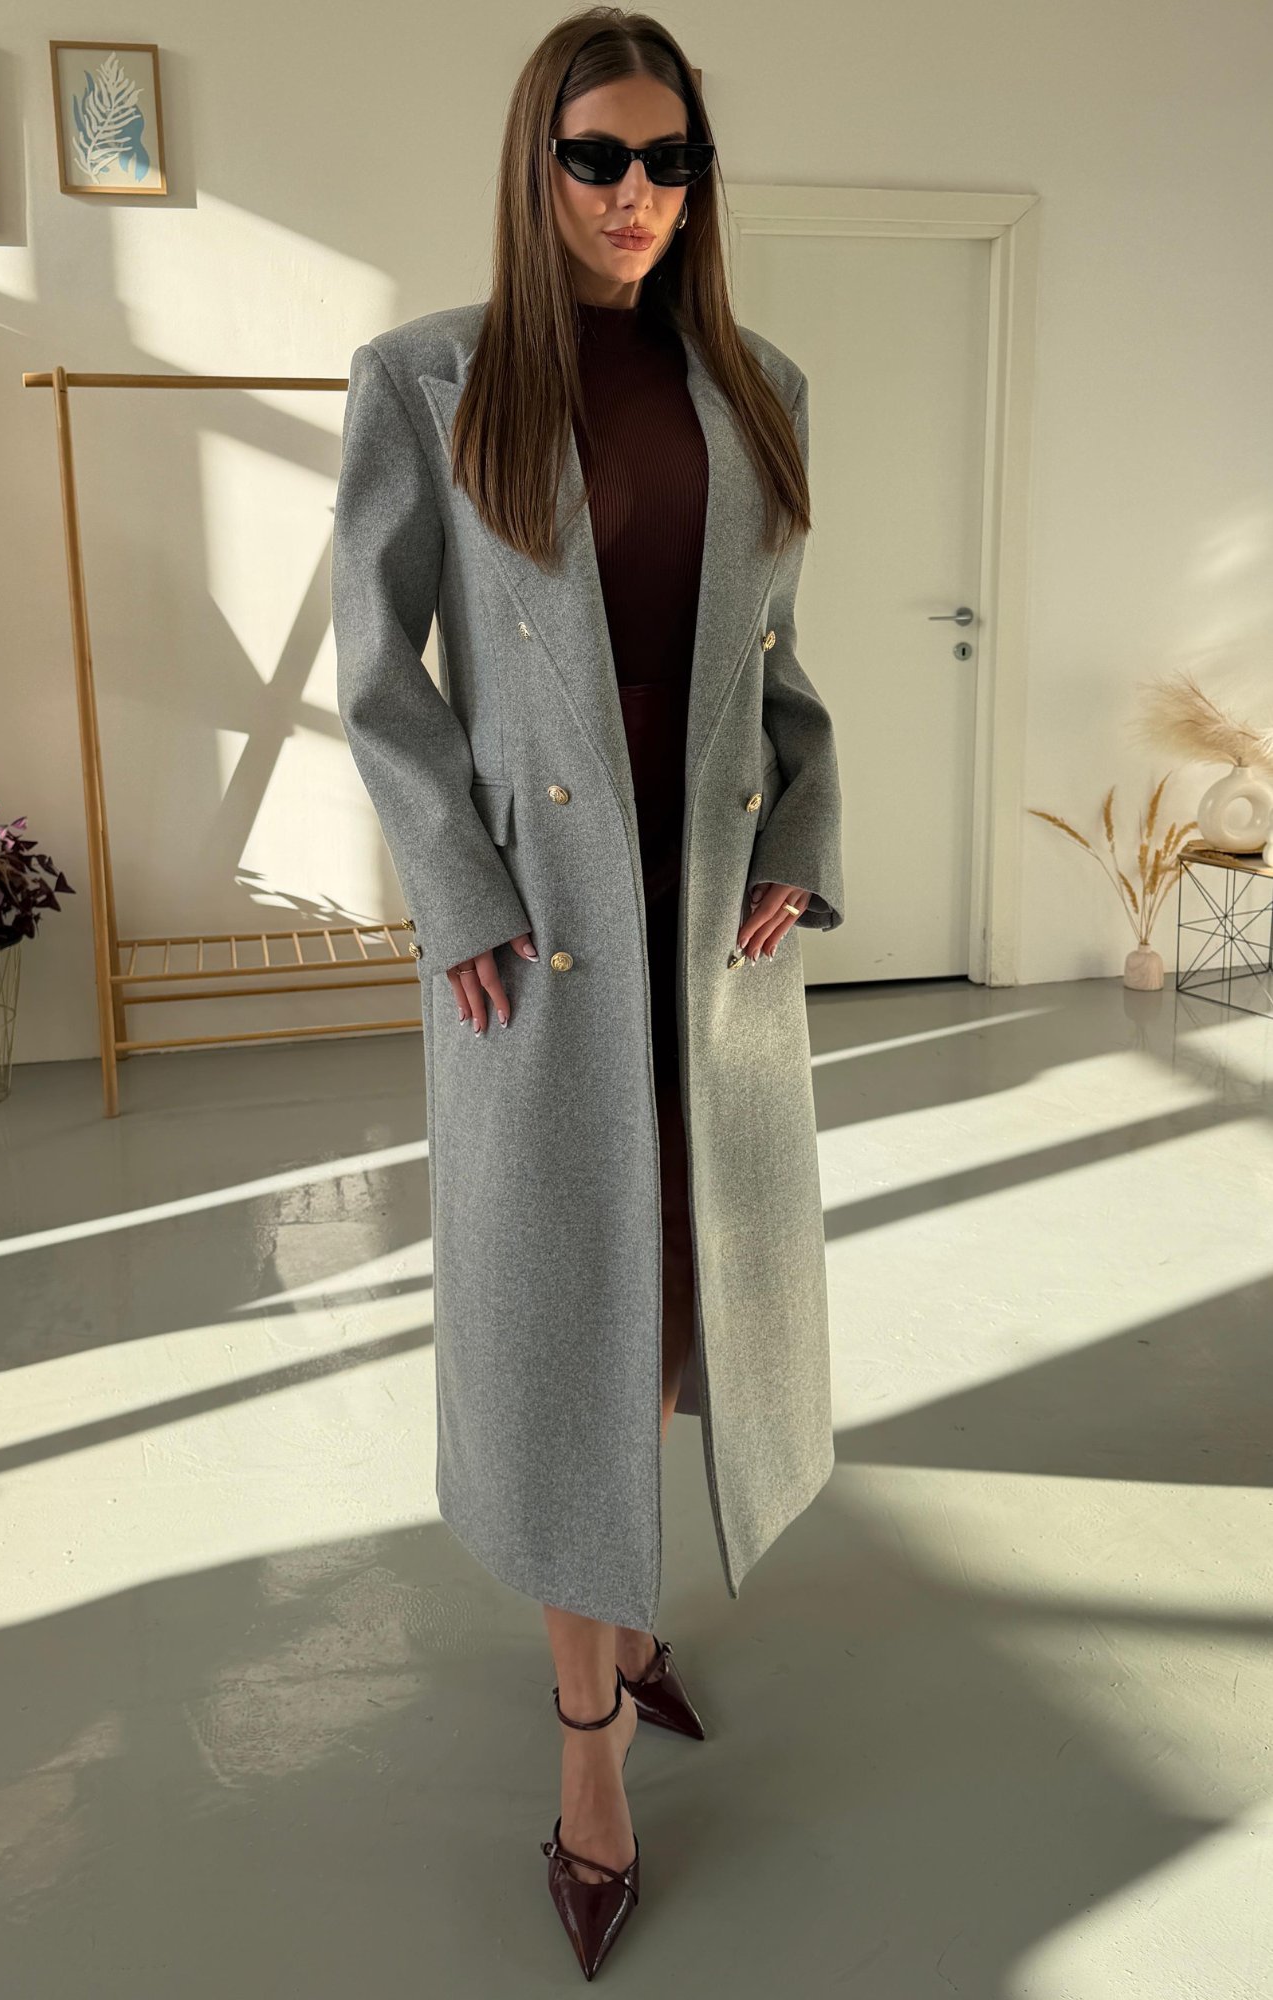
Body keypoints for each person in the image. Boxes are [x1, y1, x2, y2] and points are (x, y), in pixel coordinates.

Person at [332, 8, 844, 1979]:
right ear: (535, 166)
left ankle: (630, 1622)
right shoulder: (427, 379)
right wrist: (452, 886)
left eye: (667, 159)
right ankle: (586, 1754)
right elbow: (380, 675)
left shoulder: (758, 383)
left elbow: (780, 670)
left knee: (682, 1291)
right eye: (597, 157)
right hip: (536, 926)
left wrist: (802, 830)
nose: (636, 193)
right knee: (562, 1313)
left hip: (707, 918)